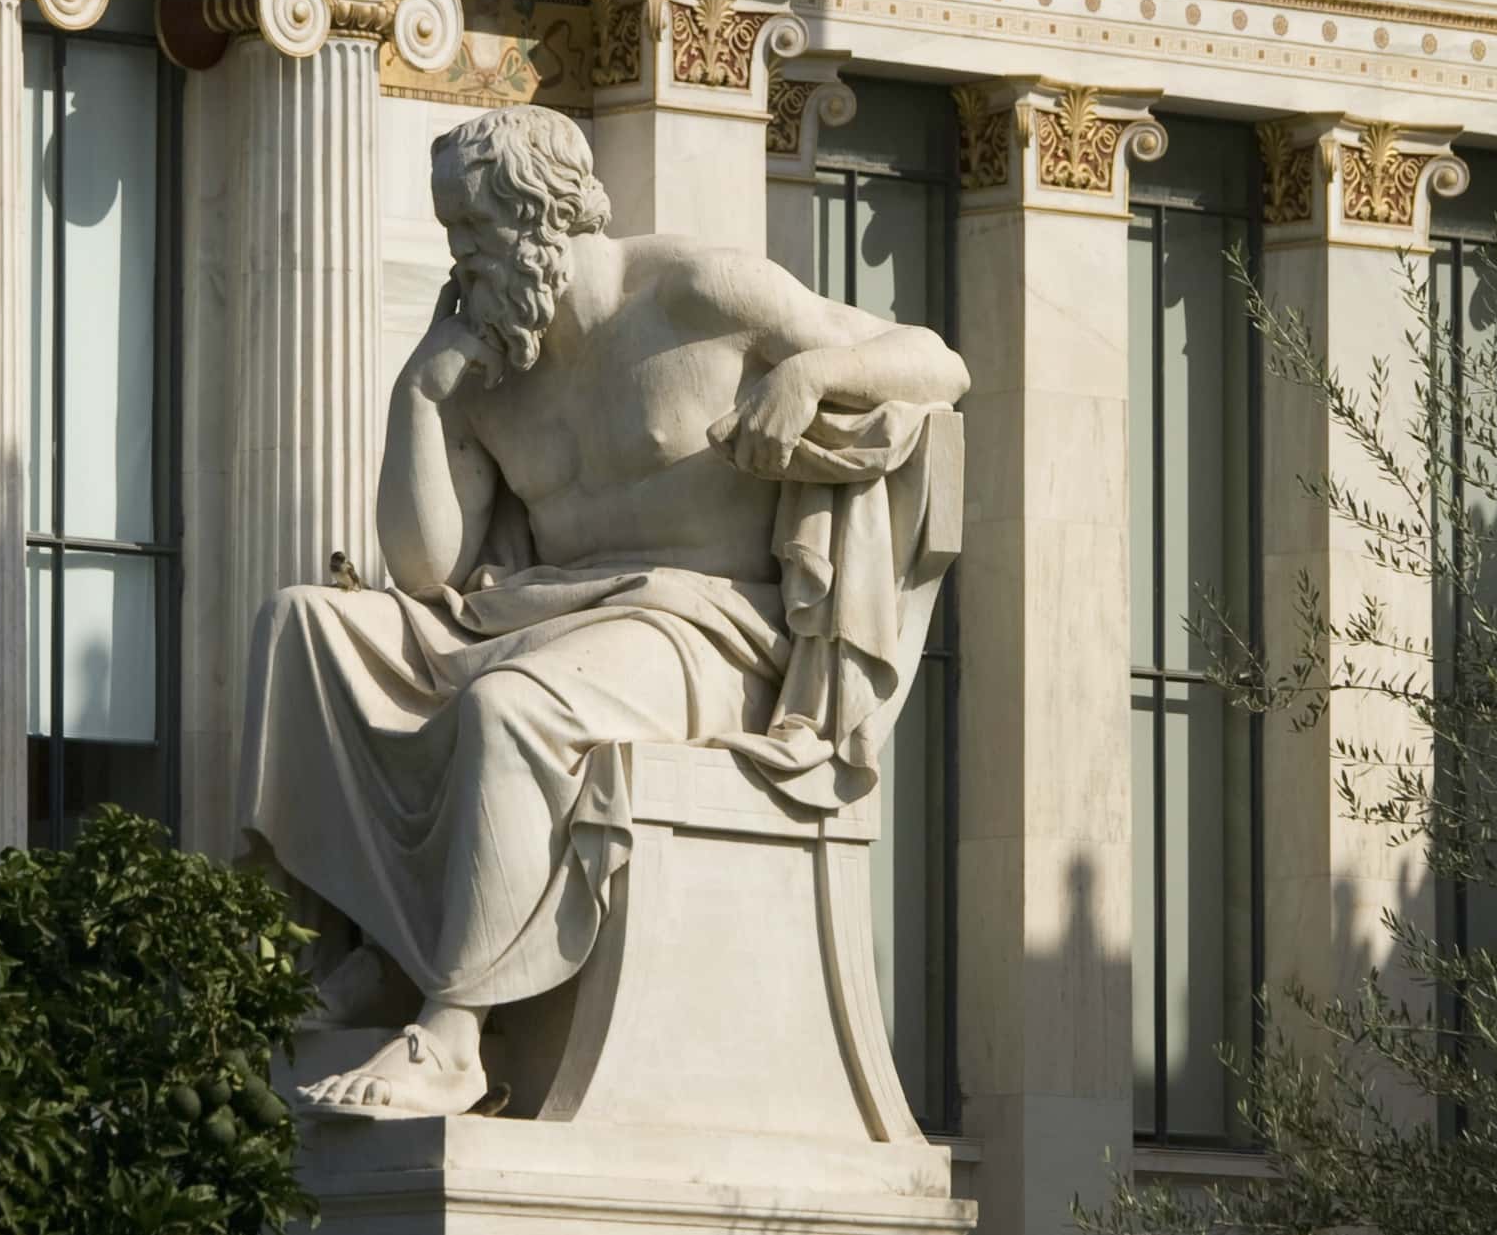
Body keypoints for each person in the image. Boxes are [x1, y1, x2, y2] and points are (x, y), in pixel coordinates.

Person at [241, 106, 968, 1118]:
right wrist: (421, 391)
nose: (460, 262)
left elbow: (935, 360)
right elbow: (425, 569)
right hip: (543, 616)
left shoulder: (693, 291)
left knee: (513, 707)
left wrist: (811, 374)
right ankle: (323, 961)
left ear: (544, 220)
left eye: (472, 233)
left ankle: (453, 1028)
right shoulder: (495, 358)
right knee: (303, 626)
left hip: (705, 628)